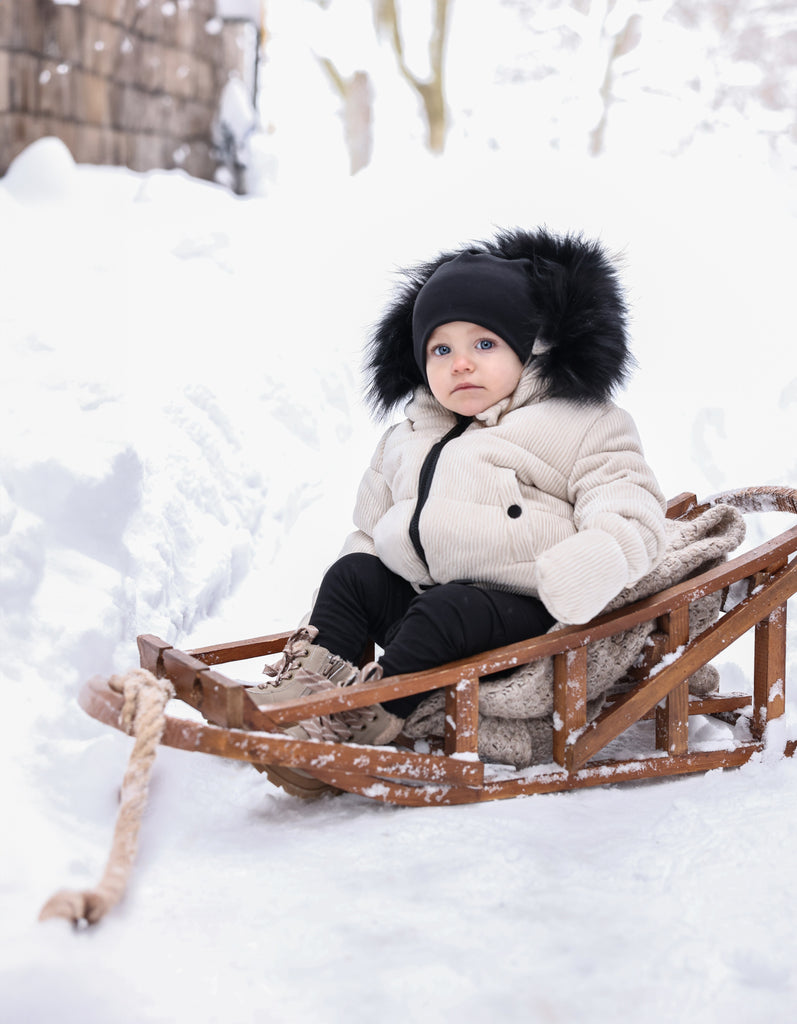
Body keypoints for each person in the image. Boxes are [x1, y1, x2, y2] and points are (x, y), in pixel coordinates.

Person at [249, 228, 667, 795]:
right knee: (353, 574)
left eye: (485, 345)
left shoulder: (583, 422)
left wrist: (586, 566)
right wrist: (363, 574)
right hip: (427, 606)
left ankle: (365, 721)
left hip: (524, 613)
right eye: (441, 350)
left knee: (445, 609)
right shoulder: (410, 434)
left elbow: (631, 510)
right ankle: (305, 691)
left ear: (533, 345)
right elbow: (370, 528)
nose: (461, 364)